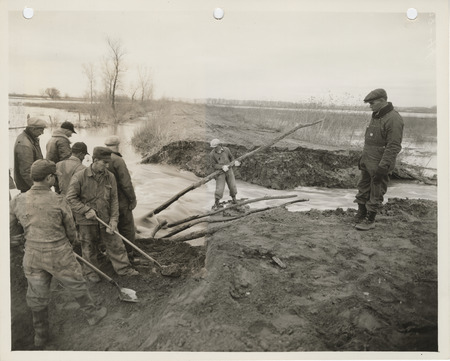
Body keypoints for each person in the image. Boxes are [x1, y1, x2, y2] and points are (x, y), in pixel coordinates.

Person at [9, 159, 107, 349]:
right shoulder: (58, 200)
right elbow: (71, 231)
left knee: (36, 294)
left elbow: (12, 230)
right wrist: (70, 244)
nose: (56, 178)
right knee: (76, 282)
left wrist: (21, 241)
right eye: (54, 176)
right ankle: (93, 315)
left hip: (32, 253)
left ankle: (40, 336)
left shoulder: (17, 201)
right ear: (49, 178)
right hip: (58, 251)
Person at [66, 147, 139, 282]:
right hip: (86, 220)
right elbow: (70, 198)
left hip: (105, 217)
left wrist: (114, 220)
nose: (107, 166)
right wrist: (85, 210)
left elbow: (114, 200)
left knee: (116, 244)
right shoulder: (79, 177)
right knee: (89, 247)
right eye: (104, 163)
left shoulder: (109, 177)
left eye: (108, 163)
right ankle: (91, 273)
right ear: (95, 160)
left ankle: (123, 269)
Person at [354, 88, 404, 231]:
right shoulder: (376, 115)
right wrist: (363, 158)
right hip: (367, 160)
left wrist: (384, 165)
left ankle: (370, 219)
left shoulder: (394, 118)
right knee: (363, 187)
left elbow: (393, 145)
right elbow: (370, 141)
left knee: (377, 190)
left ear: (382, 101)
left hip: (380, 162)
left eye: (372, 103)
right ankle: (361, 213)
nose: (370, 106)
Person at [104, 136, 138, 260]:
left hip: (105, 199)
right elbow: (126, 183)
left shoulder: (99, 158)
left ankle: (112, 253)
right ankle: (129, 253)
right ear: (118, 145)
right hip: (120, 198)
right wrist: (132, 199)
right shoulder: (118, 160)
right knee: (127, 226)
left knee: (112, 225)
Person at [13, 116, 47, 193]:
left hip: (33, 185)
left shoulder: (31, 139)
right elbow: (26, 171)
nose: (42, 133)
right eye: (41, 129)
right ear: (33, 129)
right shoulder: (25, 144)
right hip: (29, 187)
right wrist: (38, 188)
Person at [209, 138, 241, 209]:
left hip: (229, 170)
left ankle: (234, 199)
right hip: (220, 172)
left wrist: (234, 162)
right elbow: (213, 165)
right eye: (213, 148)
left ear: (220, 145)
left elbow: (231, 157)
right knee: (220, 188)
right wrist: (222, 167)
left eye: (216, 147)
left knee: (232, 185)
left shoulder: (226, 150)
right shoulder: (212, 154)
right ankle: (217, 202)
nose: (215, 149)